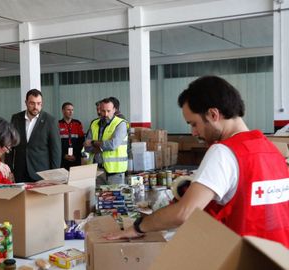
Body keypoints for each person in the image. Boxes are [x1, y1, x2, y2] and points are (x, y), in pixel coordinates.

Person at [106, 76, 289, 248]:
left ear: (213, 114)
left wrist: (138, 226)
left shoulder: (224, 152)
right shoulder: (271, 148)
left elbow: (184, 213)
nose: (194, 132)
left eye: (194, 124)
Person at [6, 89, 61, 182]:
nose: (36, 107)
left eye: (39, 103)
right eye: (32, 103)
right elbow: (9, 147)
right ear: (26, 103)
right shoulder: (16, 118)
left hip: (41, 174)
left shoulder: (50, 121)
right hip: (20, 173)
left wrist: (54, 175)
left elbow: (56, 150)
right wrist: (9, 170)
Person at [84, 98, 128, 185]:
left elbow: (112, 145)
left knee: (115, 198)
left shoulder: (120, 124)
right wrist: (102, 147)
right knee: (98, 197)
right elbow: (86, 146)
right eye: (103, 111)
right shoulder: (94, 124)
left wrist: (93, 143)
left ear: (114, 110)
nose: (106, 114)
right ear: (99, 110)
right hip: (96, 170)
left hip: (114, 172)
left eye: (108, 111)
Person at [59, 102, 84, 170]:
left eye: (72, 110)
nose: (71, 112)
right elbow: (56, 144)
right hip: (62, 158)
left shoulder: (77, 123)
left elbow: (81, 141)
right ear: (63, 111)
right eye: (68, 110)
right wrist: (63, 155)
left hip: (76, 157)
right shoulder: (58, 124)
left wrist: (75, 155)